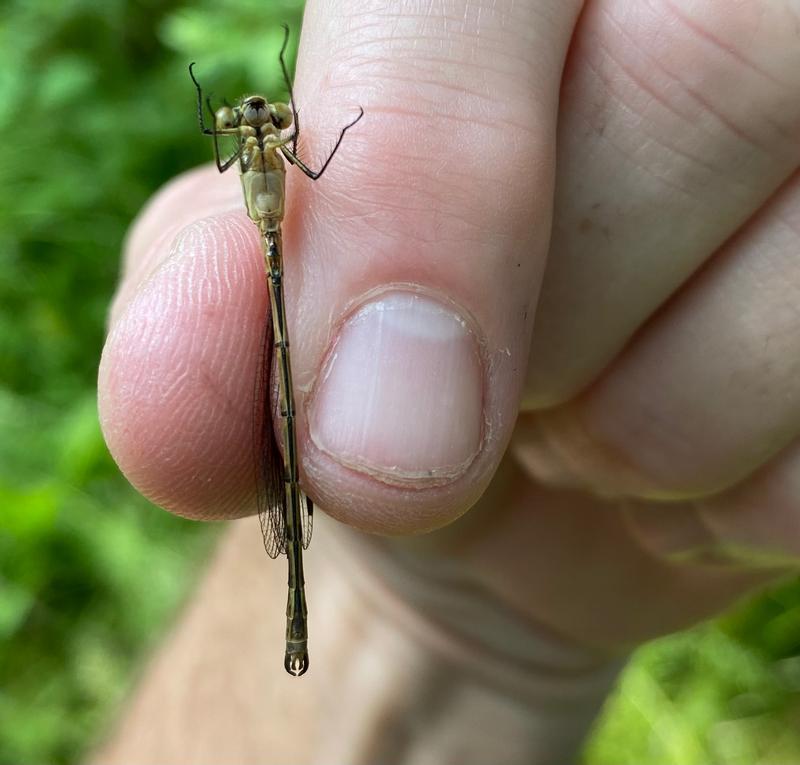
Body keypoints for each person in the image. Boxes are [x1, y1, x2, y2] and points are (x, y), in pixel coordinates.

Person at [95, 0, 800, 761]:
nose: (259, 115)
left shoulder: (258, 143)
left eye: (261, 109)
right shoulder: (273, 147)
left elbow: (302, 161)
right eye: (250, 113)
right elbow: (311, 163)